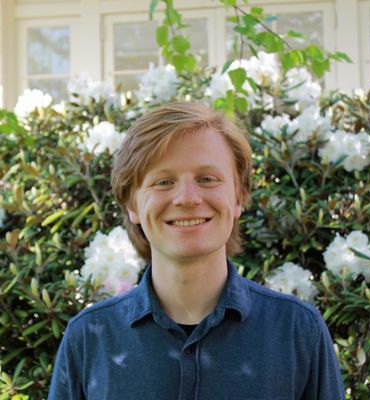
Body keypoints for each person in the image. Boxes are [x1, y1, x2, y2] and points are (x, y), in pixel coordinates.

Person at [48, 102, 345, 399]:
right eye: (163, 182)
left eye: (207, 179)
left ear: (239, 196)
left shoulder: (297, 331)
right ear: (132, 204)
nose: (187, 198)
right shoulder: (88, 338)